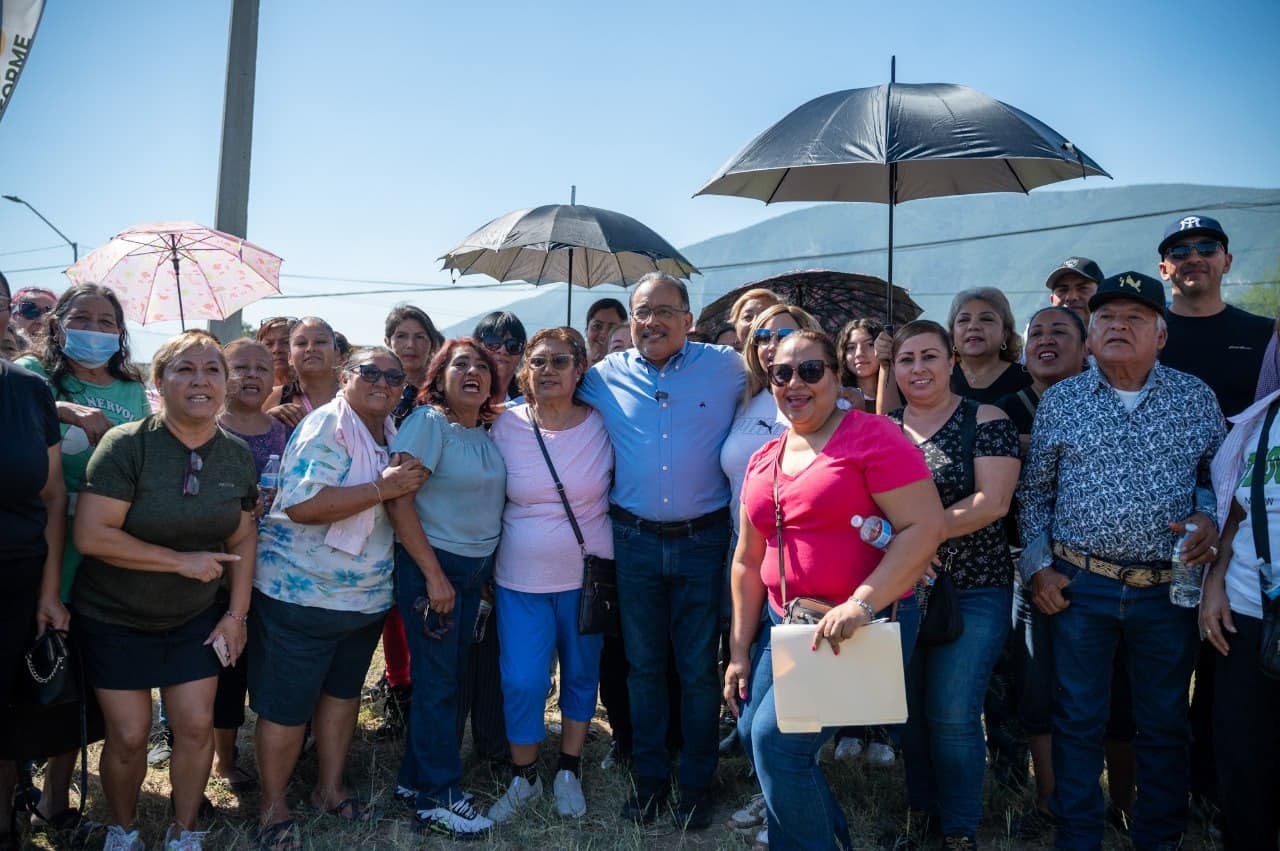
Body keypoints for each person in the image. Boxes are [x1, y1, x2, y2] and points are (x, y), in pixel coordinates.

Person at [1017, 271, 1225, 851]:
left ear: (1161, 335)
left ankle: (1158, 837)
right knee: (1078, 719)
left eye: (1134, 318)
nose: (1117, 327)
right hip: (1082, 586)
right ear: (1090, 334)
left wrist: (1207, 518)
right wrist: (1038, 567)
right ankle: (1078, 836)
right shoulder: (1062, 401)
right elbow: (1034, 494)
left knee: (1163, 724)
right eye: (1106, 317)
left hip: (1168, 589)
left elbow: (1216, 479)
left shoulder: (1194, 397)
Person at [725, 330, 944, 850]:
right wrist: (738, 650)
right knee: (760, 734)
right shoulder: (764, 457)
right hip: (785, 627)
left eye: (810, 371)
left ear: (836, 375)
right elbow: (747, 560)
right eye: (782, 373)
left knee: (777, 745)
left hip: (851, 628)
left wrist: (861, 603)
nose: (795, 383)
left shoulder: (873, 437)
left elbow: (924, 528)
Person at [73, 329, 259, 851]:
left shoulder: (236, 455)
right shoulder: (127, 445)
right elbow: (91, 535)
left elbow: (244, 533)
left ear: (225, 383)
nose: (200, 380)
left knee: (196, 727)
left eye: (212, 370)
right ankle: (123, 829)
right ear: (159, 382)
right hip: (116, 616)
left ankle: (185, 831)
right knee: (130, 735)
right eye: (185, 369)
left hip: (195, 617)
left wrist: (237, 615)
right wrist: (180, 562)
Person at [577, 272, 746, 828]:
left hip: (704, 540)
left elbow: (789, 391)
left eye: (664, 310)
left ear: (689, 318)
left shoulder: (727, 367)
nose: (652, 322)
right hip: (635, 543)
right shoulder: (603, 376)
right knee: (644, 667)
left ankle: (697, 783)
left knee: (699, 669)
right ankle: (650, 779)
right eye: (642, 312)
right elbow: (540, 401)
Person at [249, 346, 424, 851]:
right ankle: (273, 806)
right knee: (285, 708)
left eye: (394, 377)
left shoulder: (389, 431)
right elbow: (303, 503)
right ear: (346, 376)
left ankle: (330, 789)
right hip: (301, 594)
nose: (384, 382)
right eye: (370, 372)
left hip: (362, 598)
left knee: (342, 697)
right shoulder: (328, 425)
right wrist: (380, 487)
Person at [12, 284, 150, 835]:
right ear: (58, 323)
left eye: (107, 320)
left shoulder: (132, 389)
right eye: (83, 317)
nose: (95, 328)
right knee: (30, 681)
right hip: (40, 554)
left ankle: (55, 800)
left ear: (120, 333)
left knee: (75, 688)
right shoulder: (31, 374)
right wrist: (64, 407)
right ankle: (15, 797)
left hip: (105, 559)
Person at [886, 320, 1021, 848]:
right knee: (910, 713)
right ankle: (921, 817)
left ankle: (960, 830)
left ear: (952, 363)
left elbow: (993, 502)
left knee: (953, 712)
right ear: (893, 369)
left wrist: (919, 537)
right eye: (905, 360)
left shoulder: (986, 419)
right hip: (902, 590)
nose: (917, 369)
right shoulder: (883, 428)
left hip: (974, 587)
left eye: (928, 357)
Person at [1155, 215, 1273, 818]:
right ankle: (1170, 792)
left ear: (1227, 260)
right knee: (1164, 669)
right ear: (1164, 269)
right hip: (1156, 526)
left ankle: (1216, 792)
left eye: (1207, 247)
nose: (1194, 256)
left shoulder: (1264, 333)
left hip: (1244, 527)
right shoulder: (1147, 330)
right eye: (1181, 249)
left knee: (1227, 666)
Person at [485, 328, 612, 823]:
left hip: (587, 580)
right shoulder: (503, 425)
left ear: (580, 370)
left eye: (561, 361)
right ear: (524, 371)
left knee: (582, 675)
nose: (549, 370)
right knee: (522, 680)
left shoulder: (604, 424)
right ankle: (525, 777)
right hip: (519, 580)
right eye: (538, 362)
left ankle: (569, 769)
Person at [386, 339, 507, 839]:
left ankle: (416, 780)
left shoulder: (486, 430)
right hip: (432, 572)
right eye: (462, 364)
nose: (473, 372)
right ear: (440, 375)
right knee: (438, 685)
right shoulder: (429, 423)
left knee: (447, 681)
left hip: (470, 575)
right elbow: (398, 501)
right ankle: (440, 796)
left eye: (482, 365)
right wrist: (435, 575)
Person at [991, 307, 1088, 840]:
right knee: (1035, 688)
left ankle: (1110, 802)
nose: (1046, 340)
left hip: (1091, 568)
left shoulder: (1101, 405)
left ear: (1087, 346)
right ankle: (1049, 800)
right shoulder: (1006, 407)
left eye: (1061, 332)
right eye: (1037, 333)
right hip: (1021, 566)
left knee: (1094, 692)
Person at [0, 270, 69, 851]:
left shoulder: (28, 391)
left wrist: (49, 593)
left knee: (8, 713)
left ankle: (6, 826)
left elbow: (52, 497)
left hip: (16, 577)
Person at [1203, 381, 1280, 849]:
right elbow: (1235, 510)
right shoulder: (1257, 421)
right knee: (1244, 757)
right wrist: (1215, 583)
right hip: (1248, 611)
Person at [212, 339, 289, 796]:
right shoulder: (206, 427)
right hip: (221, 571)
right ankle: (225, 758)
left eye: (262, 368)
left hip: (276, 569)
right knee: (227, 669)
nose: (251, 376)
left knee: (270, 666)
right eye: (239, 367)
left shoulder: (285, 430)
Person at [372, 305, 445, 739]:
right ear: (389, 343)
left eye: (420, 336)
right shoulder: (379, 390)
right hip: (378, 513)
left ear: (432, 343)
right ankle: (397, 691)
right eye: (401, 335)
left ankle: (421, 693)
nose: (411, 344)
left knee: (417, 609)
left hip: (428, 516)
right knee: (391, 613)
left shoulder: (439, 396)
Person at [947, 287, 1031, 403]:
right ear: (952, 334)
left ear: (1005, 333)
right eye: (964, 320)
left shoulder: (1028, 381)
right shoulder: (940, 378)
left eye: (986, 319)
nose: (973, 326)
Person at [264, 317, 340, 429]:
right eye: (301, 343)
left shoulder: (355, 396)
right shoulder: (272, 397)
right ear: (289, 358)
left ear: (336, 354)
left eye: (320, 342)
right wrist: (267, 418)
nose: (310, 348)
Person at [836, 318, 884, 413]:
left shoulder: (905, 396)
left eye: (870, 344)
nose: (859, 353)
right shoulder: (838, 400)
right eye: (851, 347)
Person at [1044, 257, 1104, 325]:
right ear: (1052, 300)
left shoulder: (1117, 334)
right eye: (1063, 290)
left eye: (1082, 288)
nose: (1071, 297)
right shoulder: (1036, 334)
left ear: (1101, 296)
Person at [727, 288, 783, 352]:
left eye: (764, 316)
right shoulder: (724, 360)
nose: (754, 324)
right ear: (735, 324)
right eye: (748, 316)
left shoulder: (788, 361)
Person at [254, 317, 295, 397]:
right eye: (268, 344)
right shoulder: (249, 391)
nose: (276, 349)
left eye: (286, 342)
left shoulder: (313, 388)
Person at [585, 297, 627, 364]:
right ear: (586, 331)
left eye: (612, 328)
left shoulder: (632, 368)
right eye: (597, 326)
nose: (603, 334)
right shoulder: (573, 368)